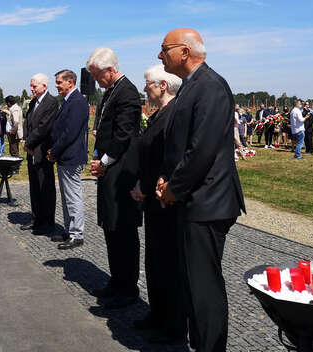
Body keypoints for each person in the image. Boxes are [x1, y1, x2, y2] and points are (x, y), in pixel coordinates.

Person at [156, 28, 246, 352]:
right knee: (193, 286)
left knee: (203, 287)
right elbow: (182, 146)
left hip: (208, 202)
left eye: (164, 49)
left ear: (183, 52)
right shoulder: (192, 87)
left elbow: (202, 150)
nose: (159, 55)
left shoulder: (210, 87)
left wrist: (173, 189)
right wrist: (167, 179)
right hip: (194, 199)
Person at [129, 64, 187, 343]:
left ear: (163, 85)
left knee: (169, 262)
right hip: (152, 197)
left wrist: (146, 185)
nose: (145, 88)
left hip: (165, 200)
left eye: (148, 83)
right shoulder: (159, 114)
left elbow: (168, 158)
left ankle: (173, 324)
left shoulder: (175, 114)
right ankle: (158, 313)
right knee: (154, 260)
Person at [87, 47, 142, 309]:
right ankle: (116, 280)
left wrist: (105, 161)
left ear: (110, 70)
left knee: (123, 229)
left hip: (121, 171)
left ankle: (128, 287)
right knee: (110, 227)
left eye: (98, 76)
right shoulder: (110, 91)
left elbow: (124, 134)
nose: (97, 81)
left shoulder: (128, 92)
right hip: (109, 168)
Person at [47, 69, 88, 250]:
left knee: (73, 197)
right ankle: (68, 229)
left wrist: (54, 150)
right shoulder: (68, 101)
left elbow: (69, 133)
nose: (56, 86)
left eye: (59, 82)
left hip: (71, 156)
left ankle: (76, 234)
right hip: (64, 156)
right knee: (66, 196)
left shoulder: (77, 101)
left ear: (70, 82)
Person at [21, 73, 57, 235]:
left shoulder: (51, 103)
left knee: (45, 186)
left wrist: (29, 143)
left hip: (42, 151)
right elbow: (28, 122)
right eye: (31, 85)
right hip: (31, 151)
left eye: (34, 86)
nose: (32, 89)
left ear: (44, 86)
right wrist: (25, 140)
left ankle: (48, 221)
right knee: (34, 186)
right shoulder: (33, 102)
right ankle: (36, 217)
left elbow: (43, 128)